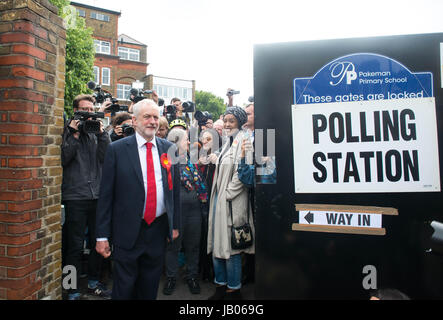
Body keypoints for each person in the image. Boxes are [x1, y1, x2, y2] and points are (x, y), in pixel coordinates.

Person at [95, 99, 181, 300]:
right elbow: (106, 195)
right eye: (147, 117)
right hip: (127, 230)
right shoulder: (117, 150)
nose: (153, 122)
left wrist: (174, 225)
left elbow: (173, 191)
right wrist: (101, 236)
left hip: (157, 230)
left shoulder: (169, 149)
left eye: (156, 117)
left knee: (149, 288)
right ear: (134, 120)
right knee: (124, 289)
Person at [61, 94, 111, 300]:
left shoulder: (96, 132)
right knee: (73, 246)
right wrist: (72, 134)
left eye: (92, 110)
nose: (88, 114)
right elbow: (64, 159)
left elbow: (107, 159)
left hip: (97, 196)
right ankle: (70, 288)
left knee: (96, 242)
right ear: (76, 111)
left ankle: (93, 283)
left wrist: (101, 135)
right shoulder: (67, 131)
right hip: (75, 197)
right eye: (84, 110)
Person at [207, 106, 255, 300]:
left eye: (231, 121)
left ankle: (233, 290)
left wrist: (228, 194)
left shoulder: (246, 141)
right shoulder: (228, 141)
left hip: (232, 201)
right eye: (225, 120)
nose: (227, 124)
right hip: (219, 199)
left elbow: (244, 174)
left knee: (232, 247)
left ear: (240, 122)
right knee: (217, 243)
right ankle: (220, 286)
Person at [163, 128, 208, 295]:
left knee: (193, 245)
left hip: (194, 209)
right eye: (186, 139)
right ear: (176, 141)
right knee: (173, 246)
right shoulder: (166, 161)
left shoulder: (190, 159)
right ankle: (171, 278)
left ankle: (192, 276)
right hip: (176, 210)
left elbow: (199, 182)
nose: (188, 142)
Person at [198, 128, 222, 282]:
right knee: (202, 237)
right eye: (203, 139)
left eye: (209, 139)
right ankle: (204, 271)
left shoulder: (221, 156)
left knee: (214, 237)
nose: (205, 142)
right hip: (201, 204)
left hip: (216, 203)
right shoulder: (200, 157)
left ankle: (214, 272)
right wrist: (198, 165)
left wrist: (217, 162)